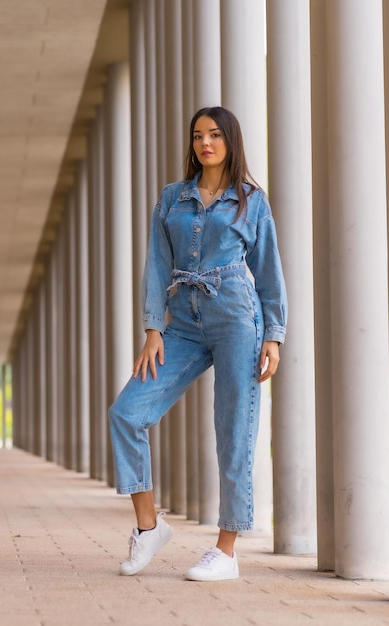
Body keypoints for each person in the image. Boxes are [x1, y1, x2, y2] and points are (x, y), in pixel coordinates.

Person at [109, 106, 287, 582]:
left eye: (213, 135)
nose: (204, 143)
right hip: (183, 321)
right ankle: (148, 527)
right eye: (197, 136)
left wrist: (274, 333)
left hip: (236, 317)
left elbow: (268, 270)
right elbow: (156, 266)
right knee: (127, 412)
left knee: (234, 432)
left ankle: (226, 550)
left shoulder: (251, 200)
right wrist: (152, 328)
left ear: (230, 140)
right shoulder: (172, 198)